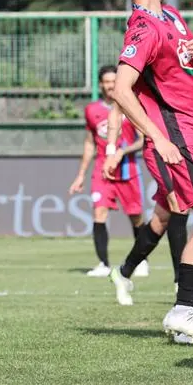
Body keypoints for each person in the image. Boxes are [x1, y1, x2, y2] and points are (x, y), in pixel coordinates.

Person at [107, 0, 193, 342]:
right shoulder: (143, 28)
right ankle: (182, 310)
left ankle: (184, 314)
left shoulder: (173, 17)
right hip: (181, 138)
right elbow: (123, 90)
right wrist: (157, 137)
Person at [69, 65, 147, 277]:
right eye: (107, 82)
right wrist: (80, 175)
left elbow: (143, 140)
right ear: (101, 84)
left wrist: (122, 152)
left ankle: (142, 261)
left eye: (114, 81)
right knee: (99, 212)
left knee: (136, 217)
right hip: (102, 171)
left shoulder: (131, 105)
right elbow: (89, 144)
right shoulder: (92, 110)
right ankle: (103, 264)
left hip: (127, 170)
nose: (111, 85)